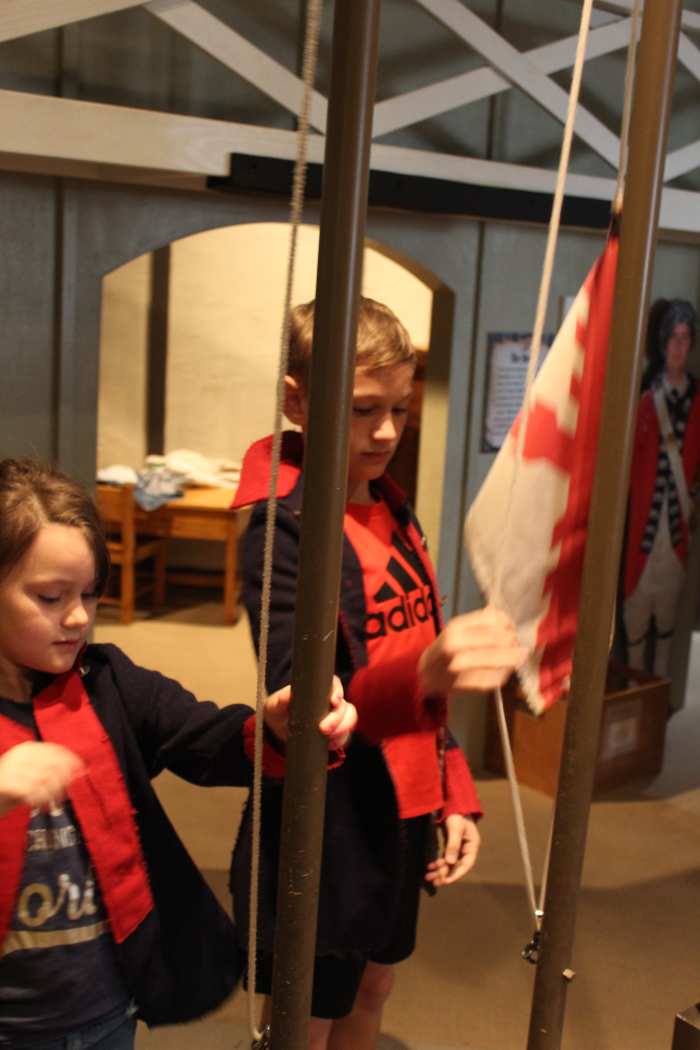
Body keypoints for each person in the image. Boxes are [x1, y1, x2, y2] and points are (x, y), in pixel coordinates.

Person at [231, 297, 526, 1050]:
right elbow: (310, 702)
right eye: (364, 409)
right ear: (299, 399)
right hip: (332, 814)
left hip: (402, 795)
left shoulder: (393, 507)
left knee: (376, 978)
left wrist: (453, 792)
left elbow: (421, 661)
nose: (389, 431)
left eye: (400, 406)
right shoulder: (282, 528)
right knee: (312, 1001)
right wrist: (422, 671)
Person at [0, 458, 356, 1050]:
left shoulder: (108, 682)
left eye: (90, 593)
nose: (79, 617)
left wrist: (276, 727)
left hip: (104, 1009)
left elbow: (207, 740)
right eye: (50, 596)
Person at [623, 299, 700, 676]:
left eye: (685, 338)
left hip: (677, 537)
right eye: (672, 337)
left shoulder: (699, 400)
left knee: (666, 629)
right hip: (642, 536)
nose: (677, 346)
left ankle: (657, 710)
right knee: (635, 622)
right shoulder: (644, 401)